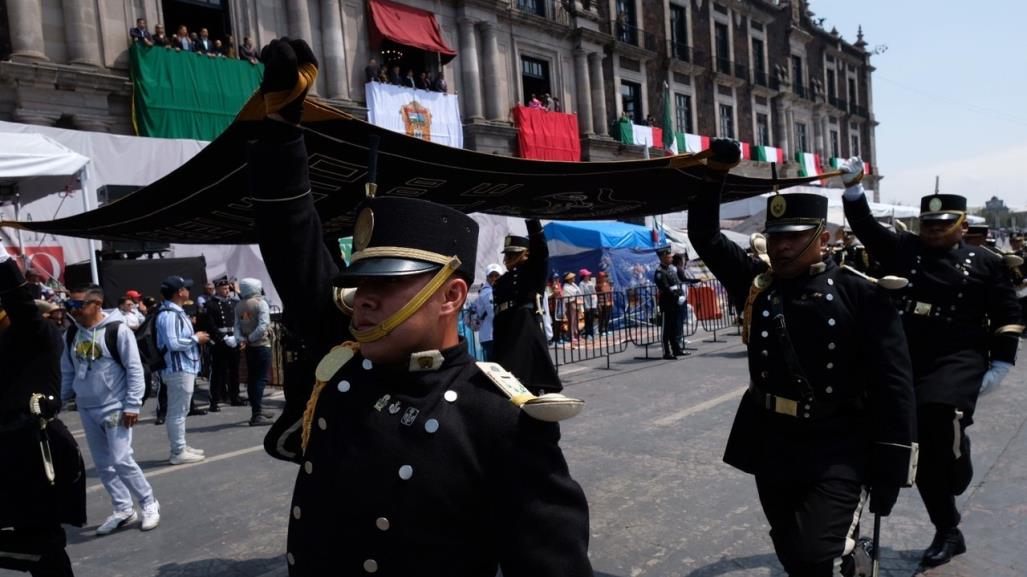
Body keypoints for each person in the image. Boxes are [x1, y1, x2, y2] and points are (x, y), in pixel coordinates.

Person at [244, 37, 592, 576]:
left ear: (452, 296)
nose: (363, 300)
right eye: (360, 283)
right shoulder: (346, 368)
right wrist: (280, 132)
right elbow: (294, 248)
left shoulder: (499, 419)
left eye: (387, 285)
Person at [688, 152, 918, 577]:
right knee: (792, 548)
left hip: (838, 442)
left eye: (794, 237)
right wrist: (713, 176)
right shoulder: (757, 286)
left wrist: (892, 464)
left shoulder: (860, 294)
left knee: (815, 552)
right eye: (774, 237)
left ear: (823, 239)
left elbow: (894, 385)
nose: (781, 246)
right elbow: (704, 236)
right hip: (772, 437)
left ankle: (849, 557)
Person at [839, 157, 1023, 568]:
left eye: (944, 224)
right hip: (907, 355)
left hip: (958, 358)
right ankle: (948, 529)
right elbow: (867, 227)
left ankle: (958, 449)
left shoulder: (987, 262)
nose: (935, 230)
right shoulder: (905, 250)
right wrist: (853, 190)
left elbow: (1009, 315)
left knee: (937, 417)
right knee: (916, 451)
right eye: (929, 224)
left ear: (961, 224)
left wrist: (1002, 364)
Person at [0, 241, 85, 577]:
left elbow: (22, 306)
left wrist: (3, 262)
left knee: (46, 543)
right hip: (13, 451)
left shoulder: (36, 333)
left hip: (36, 449)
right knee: (43, 545)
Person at [61, 283, 160, 536]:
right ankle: (122, 508)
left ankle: (148, 502)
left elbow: (135, 369)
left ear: (95, 304)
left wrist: (132, 404)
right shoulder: (71, 335)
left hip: (115, 407)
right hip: (87, 408)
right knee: (104, 464)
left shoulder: (118, 331)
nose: (72, 310)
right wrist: (57, 403)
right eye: (69, 305)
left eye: (77, 305)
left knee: (121, 459)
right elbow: (67, 372)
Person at [493, 223, 563, 393]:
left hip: (525, 326)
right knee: (505, 380)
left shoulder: (533, 271)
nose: (509, 257)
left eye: (513, 253)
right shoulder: (503, 280)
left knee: (526, 376)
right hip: (505, 327)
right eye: (508, 253)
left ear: (526, 254)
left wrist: (532, 221)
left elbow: (540, 248)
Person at [156, 276, 209, 464]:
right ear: (180, 292)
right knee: (177, 412)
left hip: (182, 368)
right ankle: (178, 451)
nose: (188, 290)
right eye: (186, 288)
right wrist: (196, 338)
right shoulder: (170, 315)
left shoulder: (173, 313)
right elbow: (173, 343)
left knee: (180, 410)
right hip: (178, 368)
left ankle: (180, 446)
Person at [235, 277, 274, 426]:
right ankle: (257, 414)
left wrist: (242, 339)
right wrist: (251, 338)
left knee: (253, 379)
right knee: (261, 379)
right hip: (261, 345)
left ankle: (257, 409)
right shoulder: (260, 303)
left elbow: (237, 326)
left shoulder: (239, 305)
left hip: (249, 347)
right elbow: (263, 325)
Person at [202, 276, 242, 411]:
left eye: (227, 288)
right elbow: (210, 324)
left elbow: (238, 321)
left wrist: (238, 337)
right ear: (217, 289)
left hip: (233, 339)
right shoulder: (210, 304)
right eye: (223, 288)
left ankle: (234, 396)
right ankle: (214, 400)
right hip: (220, 342)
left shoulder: (234, 303)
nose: (226, 291)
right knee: (218, 372)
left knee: (234, 370)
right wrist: (223, 337)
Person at [653, 247, 685, 359]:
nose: (671, 257)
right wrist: (677, 297)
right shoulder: (660, 272)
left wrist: (681, 294)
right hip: (667, 303)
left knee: (674, 327)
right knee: (666, 329)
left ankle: (676, 349)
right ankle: (666, 352)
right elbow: (665, 288)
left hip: (675, 302)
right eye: (669, 256)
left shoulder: (670, 269)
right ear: (663, 257)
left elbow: (677, 284)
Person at [474, 263, 503, 361]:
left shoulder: (487, 291)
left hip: (488, 336)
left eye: (497, 275)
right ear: (487, 277)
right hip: (492, 335)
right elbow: (494, 315)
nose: (494, 278)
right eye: (491, 276)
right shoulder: (488, 292)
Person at [562, 272, 581, 346]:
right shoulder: (566, 287)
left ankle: (576, 334)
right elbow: (571, 296)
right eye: (572, 277)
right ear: (568, 279)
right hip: (570, 304)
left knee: (576, 320)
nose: (574, 278)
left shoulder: (573, 285)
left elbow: (579, 292)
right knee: (572, 320)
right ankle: (571, 336)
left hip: (576, 303)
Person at [578, 269, 597, 338]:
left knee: (592, 318)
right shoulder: (581, 284)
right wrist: (585, 306)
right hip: (587, 305)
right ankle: (587, 333)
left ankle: (591, 333)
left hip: (593, 304)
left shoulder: (591, 283)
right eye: (587, 275)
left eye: (588, 275)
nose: (588, 276)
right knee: (587, 319)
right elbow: (581, 295)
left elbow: (594, 293)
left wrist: (594, 303)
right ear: (583, 276)